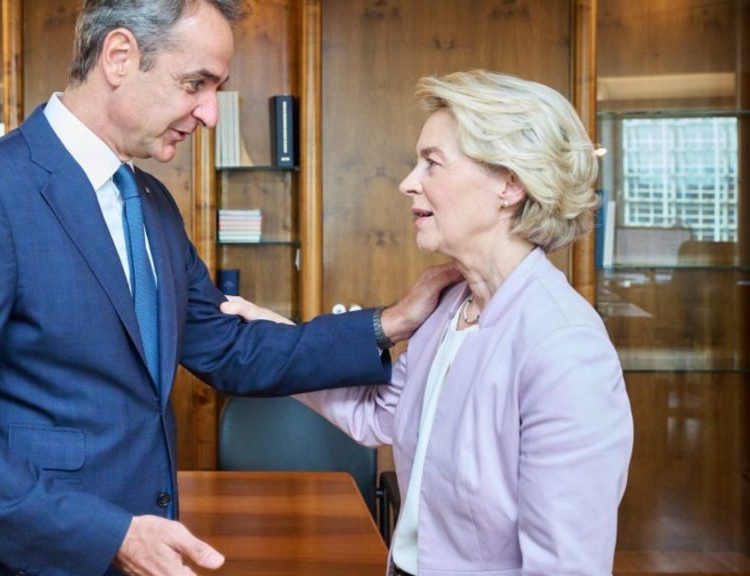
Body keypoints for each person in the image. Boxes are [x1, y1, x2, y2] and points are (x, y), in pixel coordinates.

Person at [0, 2, 460, 575]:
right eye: (195, 84)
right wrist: (108, 535)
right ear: (120, 56)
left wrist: (389, 323)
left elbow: (228, 349)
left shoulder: (150, 204)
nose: (209, 113)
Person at [224, 70, 634, 575]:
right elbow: (378, 416)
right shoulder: (449, 306)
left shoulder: (565, 346)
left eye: (432, 163)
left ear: (509, 183)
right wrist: (274, 336)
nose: (407, 182)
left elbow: (565, 565)